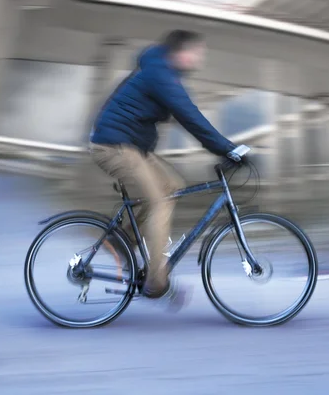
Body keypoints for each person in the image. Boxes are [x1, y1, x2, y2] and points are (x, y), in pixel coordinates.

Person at [89, 29, 238, 307]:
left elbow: (187, 115)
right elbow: (190, 117)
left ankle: (122, 241)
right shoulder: (162, 76)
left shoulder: (163, 72)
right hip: (114, 146)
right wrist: (227, 148)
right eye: (197, 53)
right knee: (159, 202)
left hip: (131, 145)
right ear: (181, 52)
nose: (199, 59)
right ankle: (156, 281)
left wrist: (222, 146)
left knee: (173, 186)